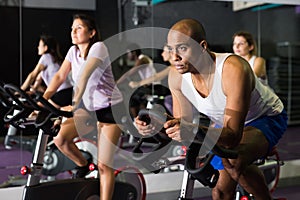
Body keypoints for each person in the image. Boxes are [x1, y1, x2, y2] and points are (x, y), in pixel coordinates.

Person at [135, 18, 287, 200]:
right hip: (224, 123)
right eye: (170, 49)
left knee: (233, 159)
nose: (174, 57)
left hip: (265, 118)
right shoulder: (176, 76)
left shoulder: (233, 68)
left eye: (182, 48)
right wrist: (158, 126)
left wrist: (192, 130)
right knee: (220, 192)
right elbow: (183, 124)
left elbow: (232, 138)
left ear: (202, 46)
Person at [42, 14, 124, 200]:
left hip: (110, 110)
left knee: (104, 165)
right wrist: (44, 98)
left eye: (78, 28)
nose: (73, 32)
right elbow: (59, 77)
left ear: (92, 32)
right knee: (60, 139)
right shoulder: (72, 52)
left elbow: (85, 75)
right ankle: (84, 165)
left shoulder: (99, 47)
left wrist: (75, 105)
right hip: (88, 109)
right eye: (72, 28)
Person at [21, 34, 73, 107]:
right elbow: (38, 80)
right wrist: (32, 91)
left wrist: (20, 91)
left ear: (45, 48)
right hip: (68, 92)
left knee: (37, 109)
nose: (38, 47)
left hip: (61, 94)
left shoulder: (46, 57)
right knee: (38, 109)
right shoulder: (53, 59)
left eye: (40, 45)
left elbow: (32, 75)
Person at [117, 43, 160, 117]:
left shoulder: (143, 59)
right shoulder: (141, 59)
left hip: (154, 86)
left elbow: (130, 73)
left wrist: (116, 83)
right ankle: (138, 119)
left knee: (133, 99)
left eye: (128, 53)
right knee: (135, 99)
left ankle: (137, 120)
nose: (128, 56)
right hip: (148, 86)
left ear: (133, 52)